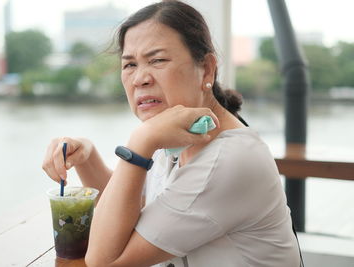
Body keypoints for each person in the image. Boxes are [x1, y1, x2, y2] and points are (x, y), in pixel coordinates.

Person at [42, 1, 300, 266]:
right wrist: (88, 156)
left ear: (207, 69)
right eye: (129, 65)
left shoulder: (228, 159)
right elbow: (130, 206)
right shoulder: (179, 135)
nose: (140, 78)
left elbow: (105, 261)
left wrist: (142, 141)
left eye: (157, 60)